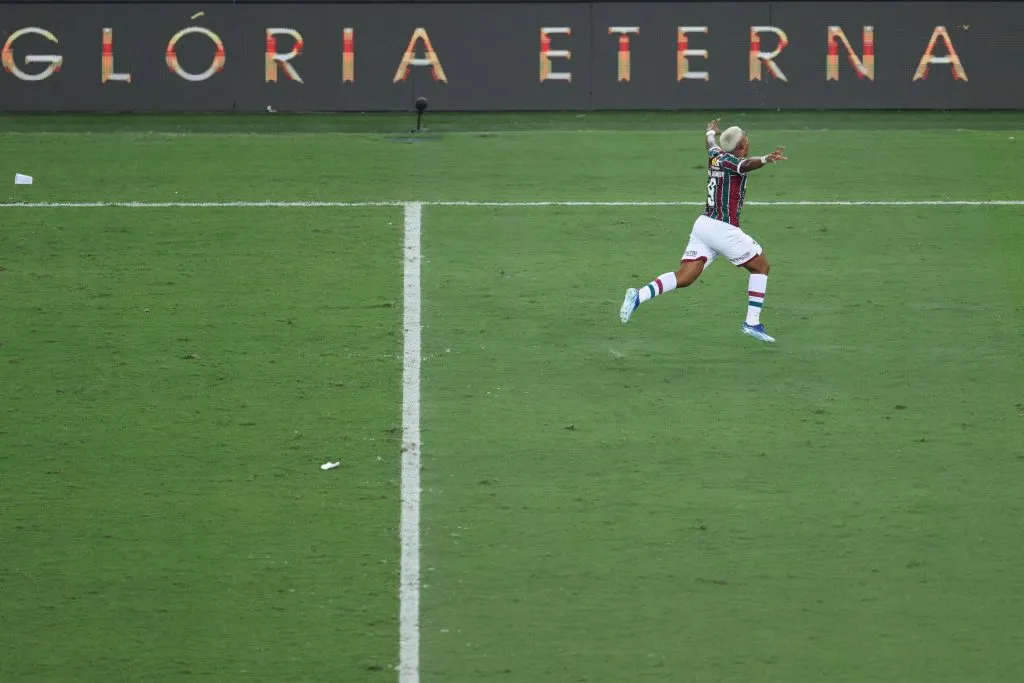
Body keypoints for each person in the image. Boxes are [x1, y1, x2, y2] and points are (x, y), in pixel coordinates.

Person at [619, 119, 787, 343]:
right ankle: (752, 323)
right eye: (746, 138)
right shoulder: (734, 162)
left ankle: (638, 295)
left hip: (704, 225)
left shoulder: (716, 155)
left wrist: (710, 132)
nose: (748, 140)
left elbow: (710, 145)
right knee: (761, 266)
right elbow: (746, 165)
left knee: (685, 277)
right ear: (741, 146)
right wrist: (766, 159)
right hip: (723, 228)